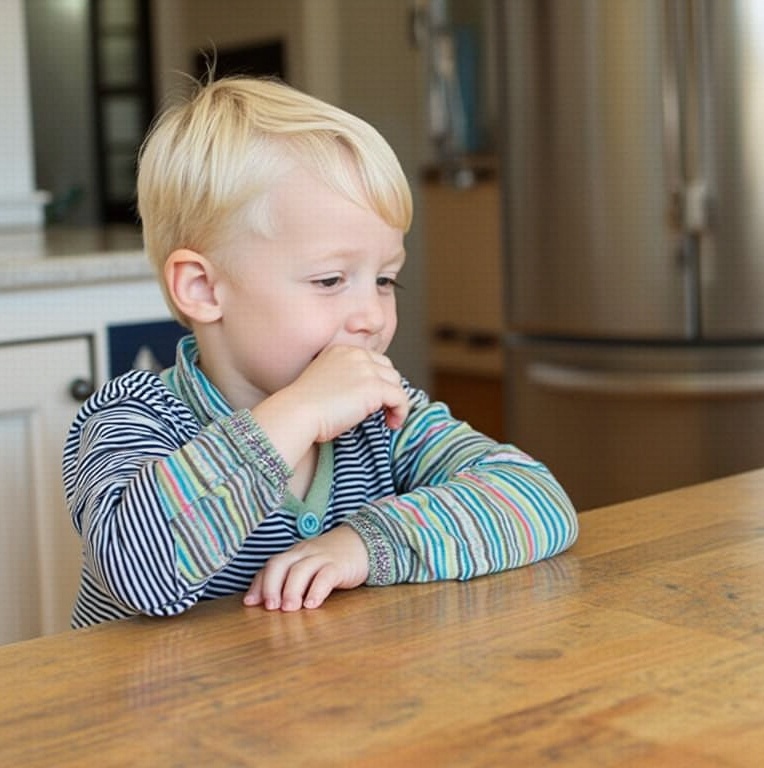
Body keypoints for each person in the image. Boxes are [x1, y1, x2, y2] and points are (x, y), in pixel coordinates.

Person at [62, 75, 578, 628]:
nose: (373, 316)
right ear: (204, 289)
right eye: (331, 280)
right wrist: (299, 412)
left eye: (385, 281)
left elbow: (539, 502)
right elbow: (139, 570)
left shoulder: (379, 415)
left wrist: (365, 543)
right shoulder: (129, 417)